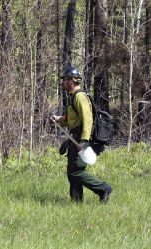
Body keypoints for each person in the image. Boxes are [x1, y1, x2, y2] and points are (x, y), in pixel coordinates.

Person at [52, 66, 112, 203]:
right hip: (74, 138)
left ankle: (103, 189)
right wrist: (58, 119)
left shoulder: (80, 97)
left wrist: (84, 141)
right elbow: (70, 120)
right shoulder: (73, 97)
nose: (63, 83)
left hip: (81, 139)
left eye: (65, 80)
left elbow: (87, 119)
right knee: (72, 171)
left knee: (76, 171)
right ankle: (77, 201)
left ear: (72, 81)